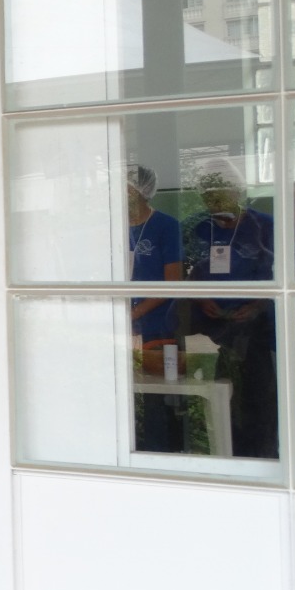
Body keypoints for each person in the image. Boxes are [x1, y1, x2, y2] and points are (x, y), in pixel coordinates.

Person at [181, 158, 276, 460]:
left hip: (253, 327)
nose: (213, 203)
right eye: (207, 197)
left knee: (256, 396)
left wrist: (256, 306)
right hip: (209, 328)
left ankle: (259, 457)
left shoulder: (264, 226)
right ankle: (222, 453)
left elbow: (280, 278)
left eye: (219, 195)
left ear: (237, 191)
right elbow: (186, 273)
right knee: (217, 392)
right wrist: (199, 297)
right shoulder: (198, 228)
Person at [127, 165, 185, 453]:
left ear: (140, 192)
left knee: (155, 399)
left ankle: (159, 456)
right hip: (122, 327)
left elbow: (172, 283)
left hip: (156, 326)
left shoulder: (166, 226)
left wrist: (134, 313)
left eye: (125, 188)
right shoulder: (113, 226)